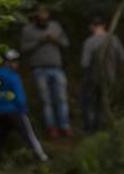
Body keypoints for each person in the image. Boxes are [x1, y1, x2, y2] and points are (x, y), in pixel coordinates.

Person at [21, 5, 72, 138]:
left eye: (45, 16)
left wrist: (56, 40)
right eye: (40, 17)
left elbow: (66, 44)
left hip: (57, 67)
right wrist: (40, 41)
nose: (43, 19)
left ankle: (65, 126)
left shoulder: (55, 26)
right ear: (36, 17)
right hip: (39, 68)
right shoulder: (28, 30)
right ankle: (51, 127)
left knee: (61, 98)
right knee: (46, 100)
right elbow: (24, 48)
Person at [0, 50, 48, 162]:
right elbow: (20, 97)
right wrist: (24, 110)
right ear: (8, 62)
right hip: (14, 111)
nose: (16, 64)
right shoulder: (13, 76)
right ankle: (41, 158)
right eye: (14, 61)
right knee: (28, 136)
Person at [81, 16, 124, 133]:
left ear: (92, 27)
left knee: (91, 103)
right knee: (105, 103)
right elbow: (123, 58)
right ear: (104, 26)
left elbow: (84, 63)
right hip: (110, 77)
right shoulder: (114, 39)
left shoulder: (90, 42)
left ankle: (91, 129)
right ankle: (104, 128)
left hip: (93, 77)